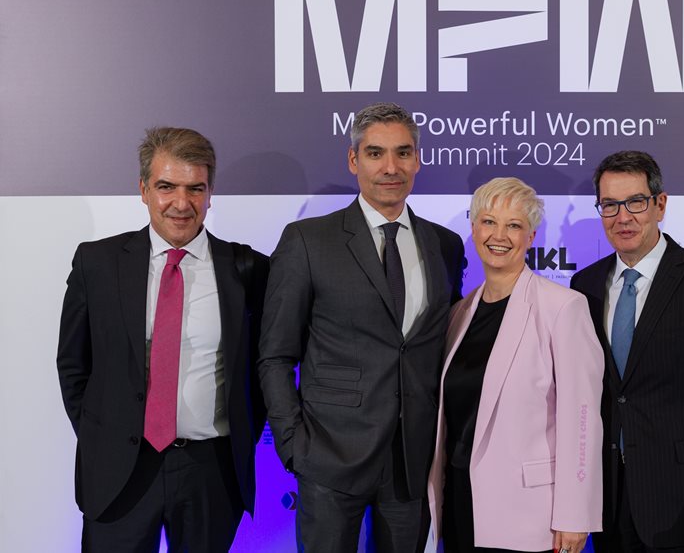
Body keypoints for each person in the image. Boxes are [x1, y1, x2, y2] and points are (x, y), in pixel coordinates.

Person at [258, 102, 465, 552]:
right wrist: (293, 445)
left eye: (403, 153)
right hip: (328, 456)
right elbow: (275, 355)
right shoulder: (308, 240)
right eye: (375, 153)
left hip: (413, 461)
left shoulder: (445, 245)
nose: (391, 167)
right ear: (353, 160)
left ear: (417, 160)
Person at [56, 127, 269, 552]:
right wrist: (105, 436)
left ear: (210, 193)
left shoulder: (249, 269)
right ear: (143, 190)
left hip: (210, 470)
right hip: (119, 470)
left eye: (195, 188)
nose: (181, 203)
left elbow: (264, 372)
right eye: (166, 187)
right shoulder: (97, 264)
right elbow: (74, 366)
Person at [570, 151, 684, 553]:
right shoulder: (584, 286)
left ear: (660, 204)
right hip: (608, 504)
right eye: (609, 204)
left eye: (636, 202)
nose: (623, 217)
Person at [426, 177, 603, 553]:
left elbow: (582, 419)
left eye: (514, 225)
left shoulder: (562, 307)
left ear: (531, 236)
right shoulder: (458, 314)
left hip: (529, 513)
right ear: (474, 228)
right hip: (460, 501)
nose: (499, 235)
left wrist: (574, 515)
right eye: (489, 222)